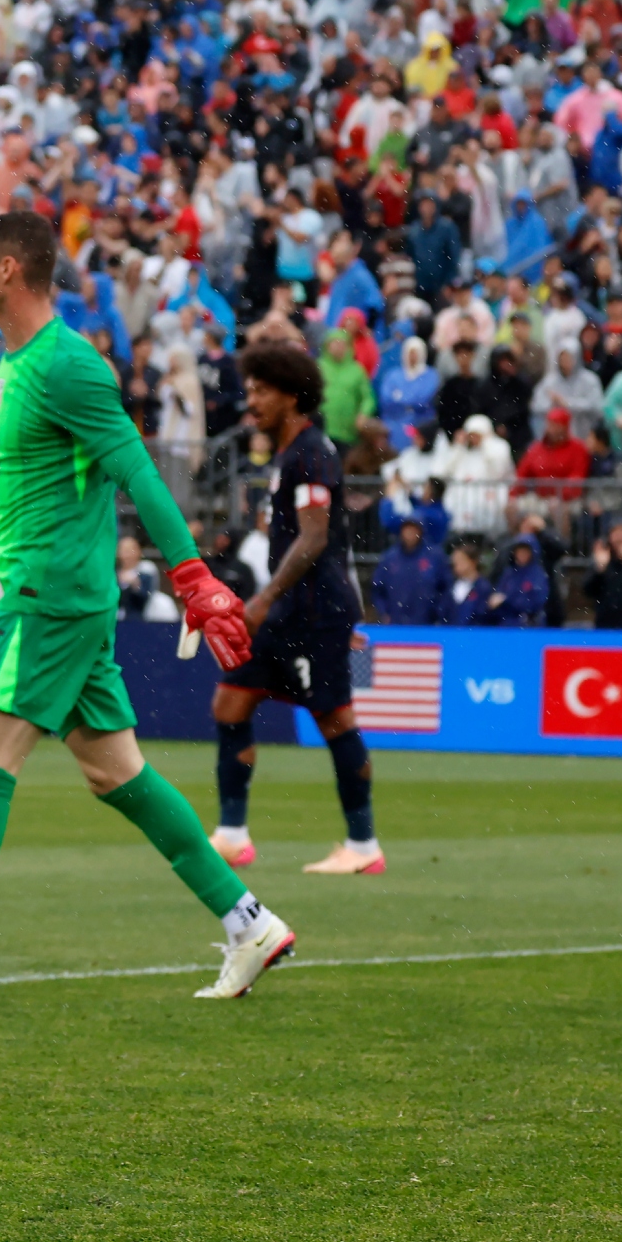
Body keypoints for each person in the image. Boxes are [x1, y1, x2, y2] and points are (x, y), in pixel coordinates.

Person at [0, 211, 289, 1008]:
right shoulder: (12, 363)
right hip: (60, 593)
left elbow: (137, 473)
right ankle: (250, 923)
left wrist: (193, 577)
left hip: (49, 599)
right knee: (117, 774)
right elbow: (36, 491)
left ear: (9, 270)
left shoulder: (68, 365)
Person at [212, 342, 383, 876]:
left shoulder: (313, 451)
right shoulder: (292, 455)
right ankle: (233, 835)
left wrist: (262, 599)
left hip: (315, 611)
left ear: (292, 396)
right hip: (289, 612)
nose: (252, 399)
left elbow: (313, 539)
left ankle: (362, 845)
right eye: (252, 388)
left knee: (335, 720)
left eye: (263, 390)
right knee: (230, 703)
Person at [370, 514, 450, 624]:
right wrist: (384, 612)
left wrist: (438, 613)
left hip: (426, 624)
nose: (410, 533)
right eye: (407, 529)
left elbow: (445, 588)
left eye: (414, 529)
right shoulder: (390, 558)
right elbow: (377, 589)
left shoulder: (435, 557)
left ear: (421, 531)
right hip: (395, 622)